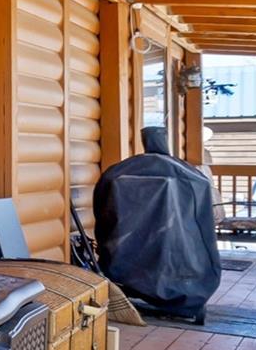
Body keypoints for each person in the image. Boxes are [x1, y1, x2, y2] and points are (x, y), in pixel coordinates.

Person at [92, 127, 222, 323]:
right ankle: (181, 301)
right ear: (166, 142)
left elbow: (103, 211)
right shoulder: (189, 174)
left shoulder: (121, 171)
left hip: (129, 253)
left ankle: (136, 289)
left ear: (144, 141)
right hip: (176, 246)